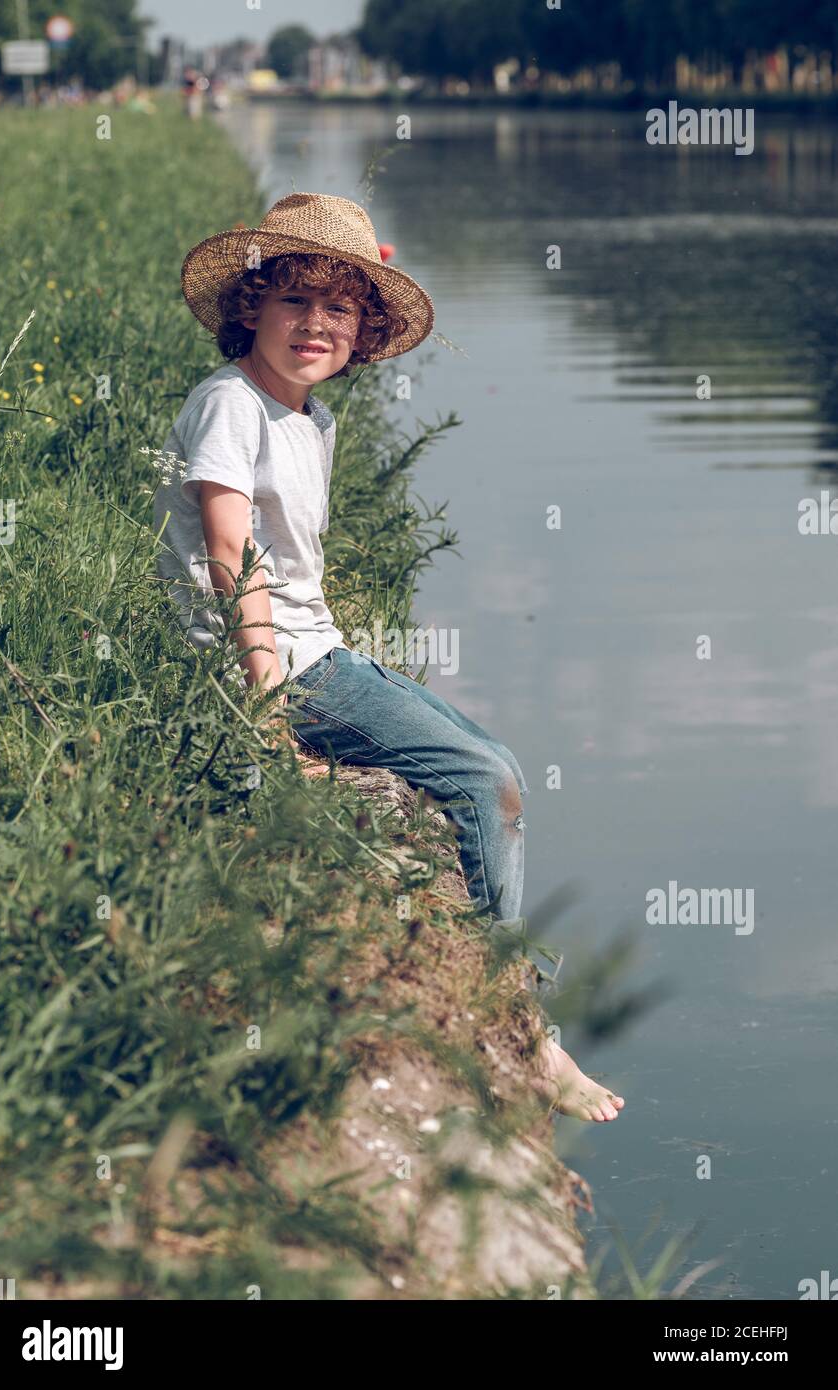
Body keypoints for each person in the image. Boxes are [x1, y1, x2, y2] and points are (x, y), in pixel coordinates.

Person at [153, 193, 624, 1122]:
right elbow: (230, 561)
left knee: (507, 771)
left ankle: (517, 1008)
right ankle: (523, 1030)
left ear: (363, 332)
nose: (316, 325)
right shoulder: (229, 407)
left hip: (321, 651)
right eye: (296, 302)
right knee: (485, 782)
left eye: (340, 309)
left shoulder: (310, 419)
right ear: (251, 309)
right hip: (283, 670)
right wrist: (266, 709)